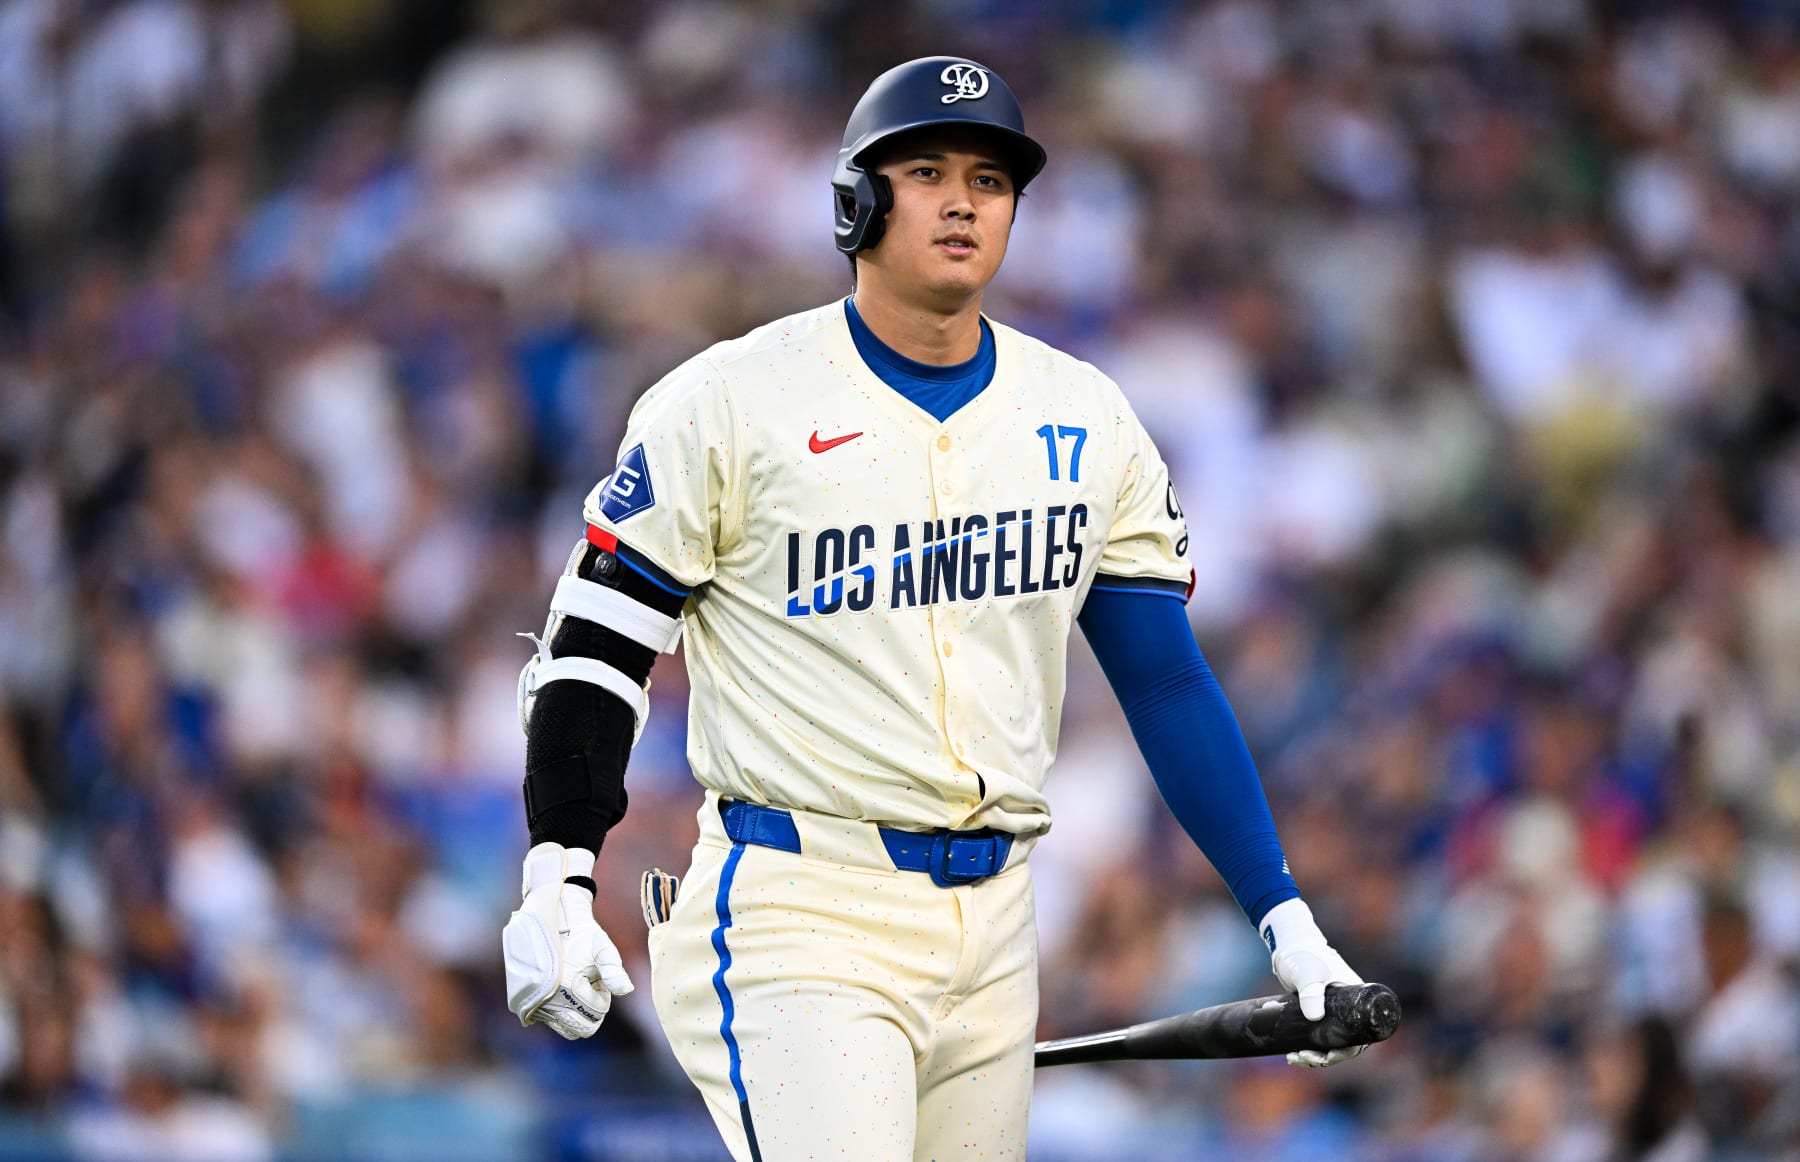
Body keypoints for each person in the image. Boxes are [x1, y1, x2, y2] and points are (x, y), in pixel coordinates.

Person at [500, 55, 1367, 1161]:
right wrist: (559, 869)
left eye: (992, 179)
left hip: (998, 920)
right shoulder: (728, 402)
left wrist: (1283, 916)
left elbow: (1164, 679)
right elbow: (597, 650)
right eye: (927, 169)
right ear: (856, 201)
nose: (963, 199)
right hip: (800, 905)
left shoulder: (1085, 416)